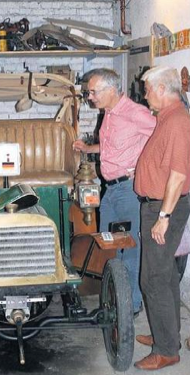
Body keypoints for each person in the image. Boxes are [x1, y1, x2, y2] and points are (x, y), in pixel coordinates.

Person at [73, 68, 156, 315]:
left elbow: (162, 140)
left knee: (128, 249)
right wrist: (89, 147)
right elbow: (114, 147)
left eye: (93, 92)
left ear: (111, 90)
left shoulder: (136, 113)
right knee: (111, 247)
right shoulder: (109, 112)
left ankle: (130, 307)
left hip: (128, 191)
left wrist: (143, 168)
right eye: (89, 92)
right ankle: (116, 301)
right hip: (109, 190)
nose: (90, 97)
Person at [134, 66, 190, 370]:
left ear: (162, 89)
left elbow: (179, 175)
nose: (145, 96)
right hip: (157, 206)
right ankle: (166, 334)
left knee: (153, 279)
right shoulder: (167, 118)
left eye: (147, 89)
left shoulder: (178, 121)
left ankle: (167, 349)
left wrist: (164, 216)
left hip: (164, 208)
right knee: (165, 274)